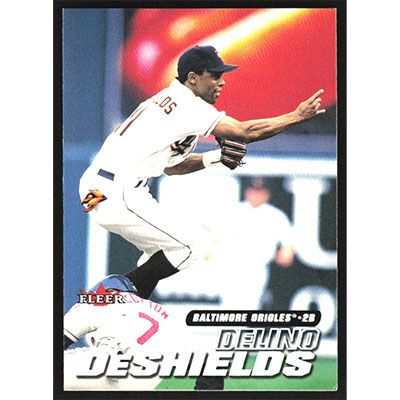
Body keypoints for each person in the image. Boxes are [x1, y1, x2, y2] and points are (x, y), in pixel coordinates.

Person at [79, 45, 325, 301]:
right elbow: (244, 132)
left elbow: (171, 167)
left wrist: (216, 157)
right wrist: (296, 117)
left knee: (161, 254)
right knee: (192, 246)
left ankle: (123, 306)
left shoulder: (169, 102)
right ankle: (110, 297)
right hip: (117, 190)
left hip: (96, 190)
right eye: (215, 75)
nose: (222, 81)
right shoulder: (187, 104)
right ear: (193, 78)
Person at [63, 274, 223, 390]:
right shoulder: (163, 314)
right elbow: (210, 363)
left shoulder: (102, 300)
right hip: (148, 379)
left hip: (112, 367)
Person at [211, 177, 295, 310]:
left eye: (260, 191)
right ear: (247, 192)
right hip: (231, 268)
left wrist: (284, 254)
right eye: (253, 190)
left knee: (249, 307)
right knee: (228, 307)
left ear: (267, 194)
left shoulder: (276, 216)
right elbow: (214, 240)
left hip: (256, 270)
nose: (256, 195)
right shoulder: (233, 212)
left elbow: (288, 248)